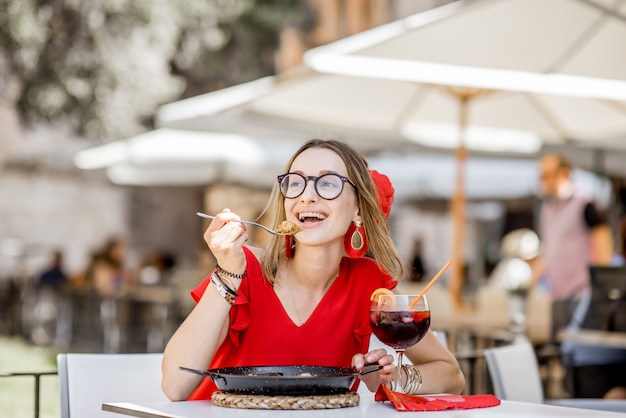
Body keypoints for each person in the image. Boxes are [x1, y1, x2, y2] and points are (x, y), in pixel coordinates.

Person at [161, 139, 465, 401]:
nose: (307, 195)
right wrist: (228, 273)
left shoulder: (368, 283)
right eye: (296, 182)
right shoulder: (242, 267)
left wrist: (392, 377)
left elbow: (452, 375)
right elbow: (175, 385)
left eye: (329, 183)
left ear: (358, 208)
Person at [533, 153, 613, 339]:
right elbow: (549, 249)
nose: (542, 181)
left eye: (547, 175)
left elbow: (603, 244)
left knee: (578, 347)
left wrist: (600, 286)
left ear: (564, 174)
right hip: (557, 294)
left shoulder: (585, 203)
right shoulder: (546, 208)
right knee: (559, 348)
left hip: (582, 292)